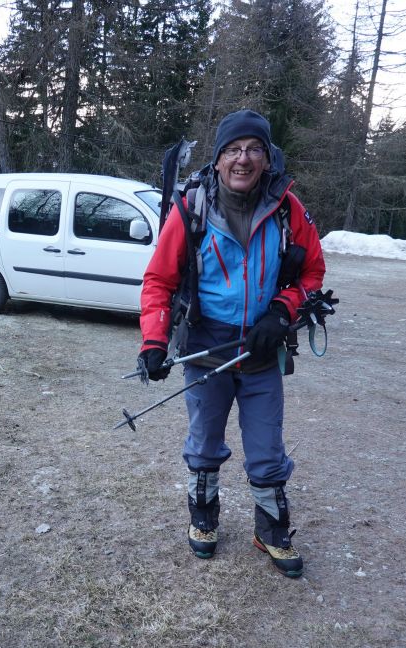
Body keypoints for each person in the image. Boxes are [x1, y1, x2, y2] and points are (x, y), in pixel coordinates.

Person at [136, 109, 325, 578]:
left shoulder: (287, 208)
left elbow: (312, 273)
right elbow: (159, 280)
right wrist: (154, 342)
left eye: (254, 149)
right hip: (207, 347)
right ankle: (203, 519)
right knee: (204, 441)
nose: (244, 159)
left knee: (266, 448)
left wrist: (282, 310)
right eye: (234, 150)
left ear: (268, 158)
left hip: (262, 350)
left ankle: (272, 531)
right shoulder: (192, 208)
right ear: (219, 159)